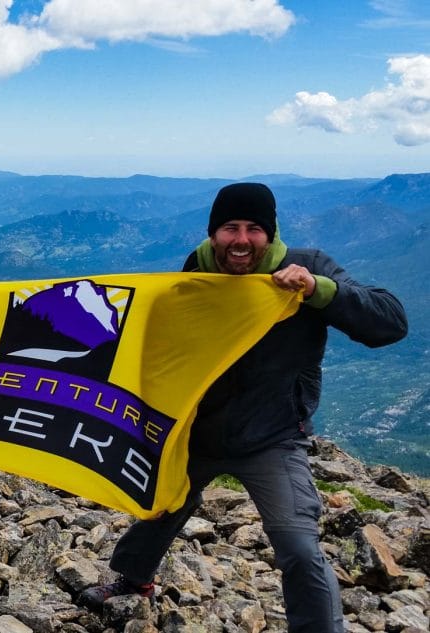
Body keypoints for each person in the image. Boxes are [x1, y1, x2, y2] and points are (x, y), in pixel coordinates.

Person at [77, 183, 408, 632]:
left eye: (254, 229)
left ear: (270, 235)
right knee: (161, 505)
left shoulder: (309, 268)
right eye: (230, 227)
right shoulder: (198, 269)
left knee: (297, 543)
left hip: (272, 435)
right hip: (197, 430)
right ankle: (133, 581)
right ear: (214, 234)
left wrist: (317, 291)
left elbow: (390, 322)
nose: (241, 240)